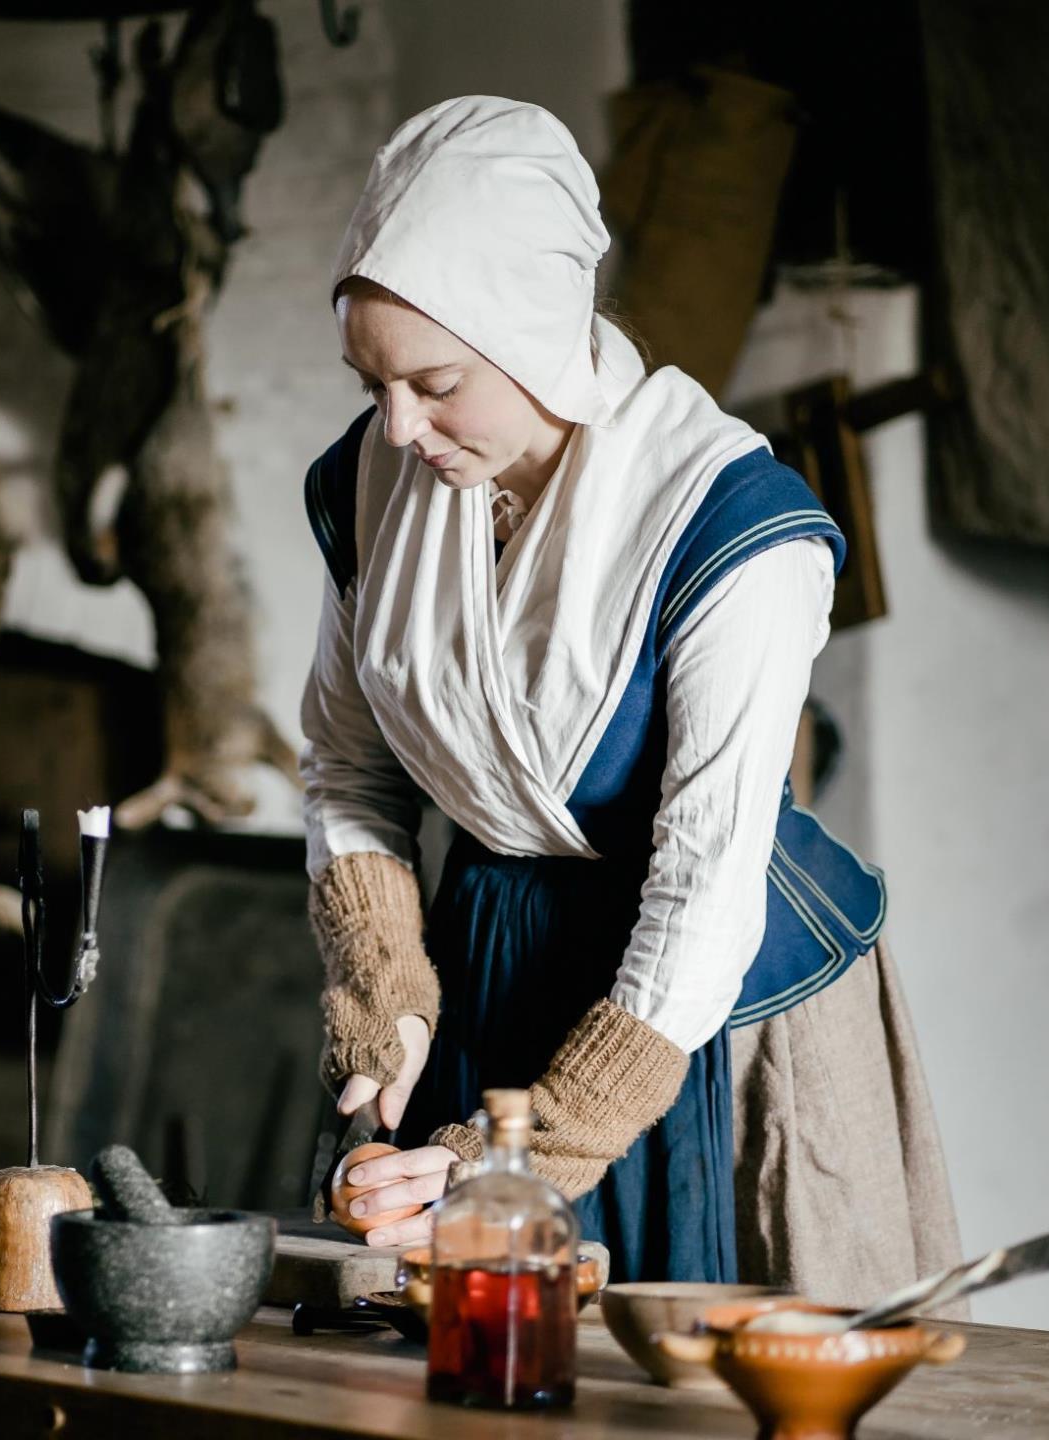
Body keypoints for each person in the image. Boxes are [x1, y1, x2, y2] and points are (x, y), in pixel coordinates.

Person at [299, 96, 962, 1298]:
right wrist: (389, 990)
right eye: (371, 381)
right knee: (475, 1357)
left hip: (707, 999)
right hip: (492, 958)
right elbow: (350, 767)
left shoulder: (726, 526)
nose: (397, 426)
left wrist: (533, 1153)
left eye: (436, 382)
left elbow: (707, 882)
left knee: (687, 1380)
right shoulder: (375, 478)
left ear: (541, 331)